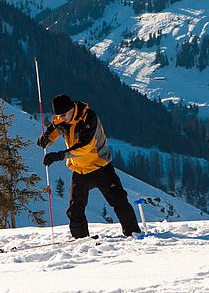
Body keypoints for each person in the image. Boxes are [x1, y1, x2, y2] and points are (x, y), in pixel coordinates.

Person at [37, 94, 141, 238]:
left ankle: (133, 234)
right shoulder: (63, 119)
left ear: (71, 109)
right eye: (58, 115)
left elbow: (85, 146)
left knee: (119, 202)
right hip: (80, 171)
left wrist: (59, 155)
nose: (61, 118)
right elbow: (53, 131)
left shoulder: (89, 118)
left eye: (63, 115)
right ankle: (81, 241)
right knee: (75, 210)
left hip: (100, 167)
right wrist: (45, 140)